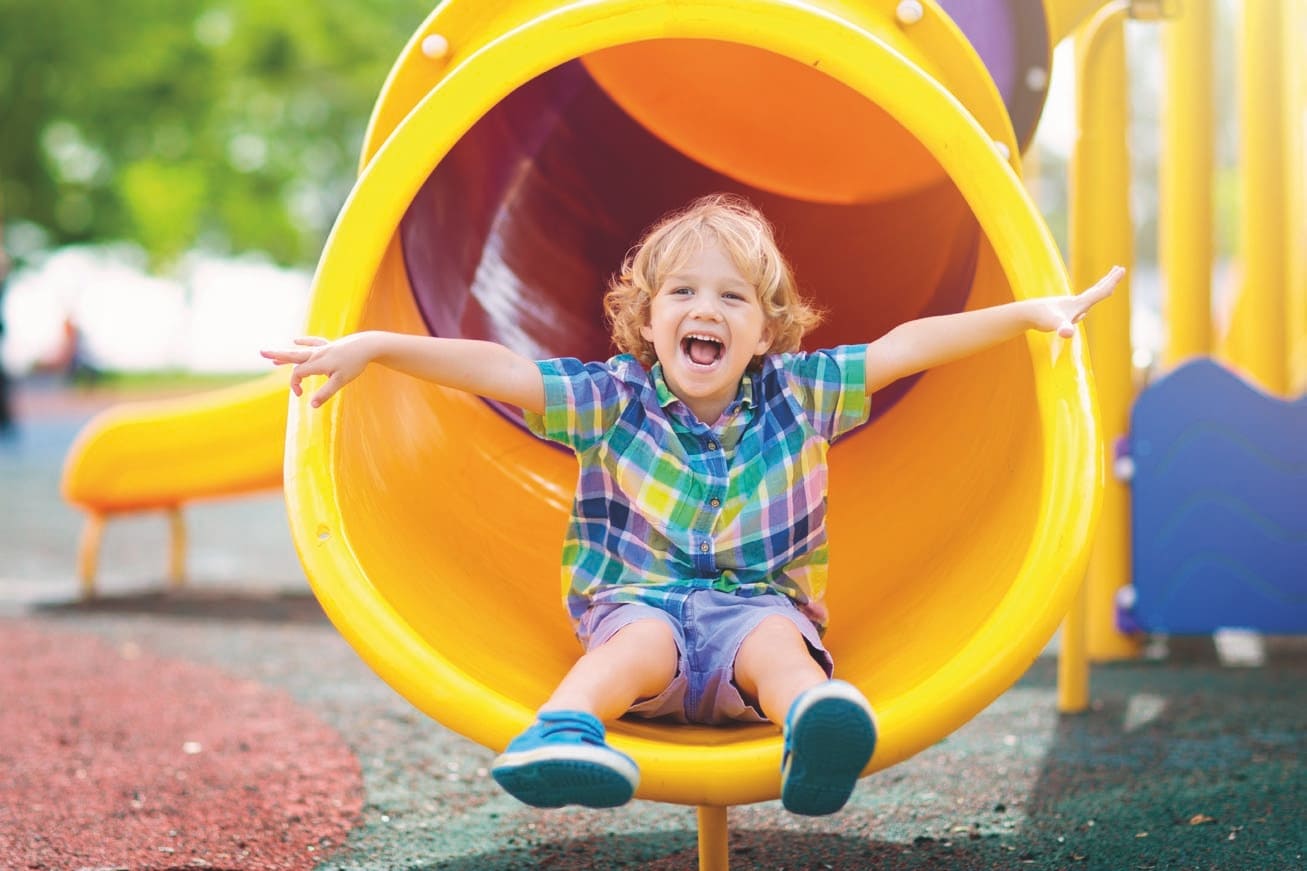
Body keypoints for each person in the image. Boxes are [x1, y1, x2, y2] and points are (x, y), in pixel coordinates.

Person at [262, 194, 1122, 816]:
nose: (703, 310)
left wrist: (1026, 313)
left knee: (780, 644)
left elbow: (906, 347)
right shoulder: (611, 396)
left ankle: (813, 726)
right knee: (636, 636)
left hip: (755, 611)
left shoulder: (802, 390)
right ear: (646, 319)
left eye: (731, 298)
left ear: (766, 330)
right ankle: (561, 732)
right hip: (642, 612)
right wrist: (374, 345)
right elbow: (499, 368)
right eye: (681, 293)